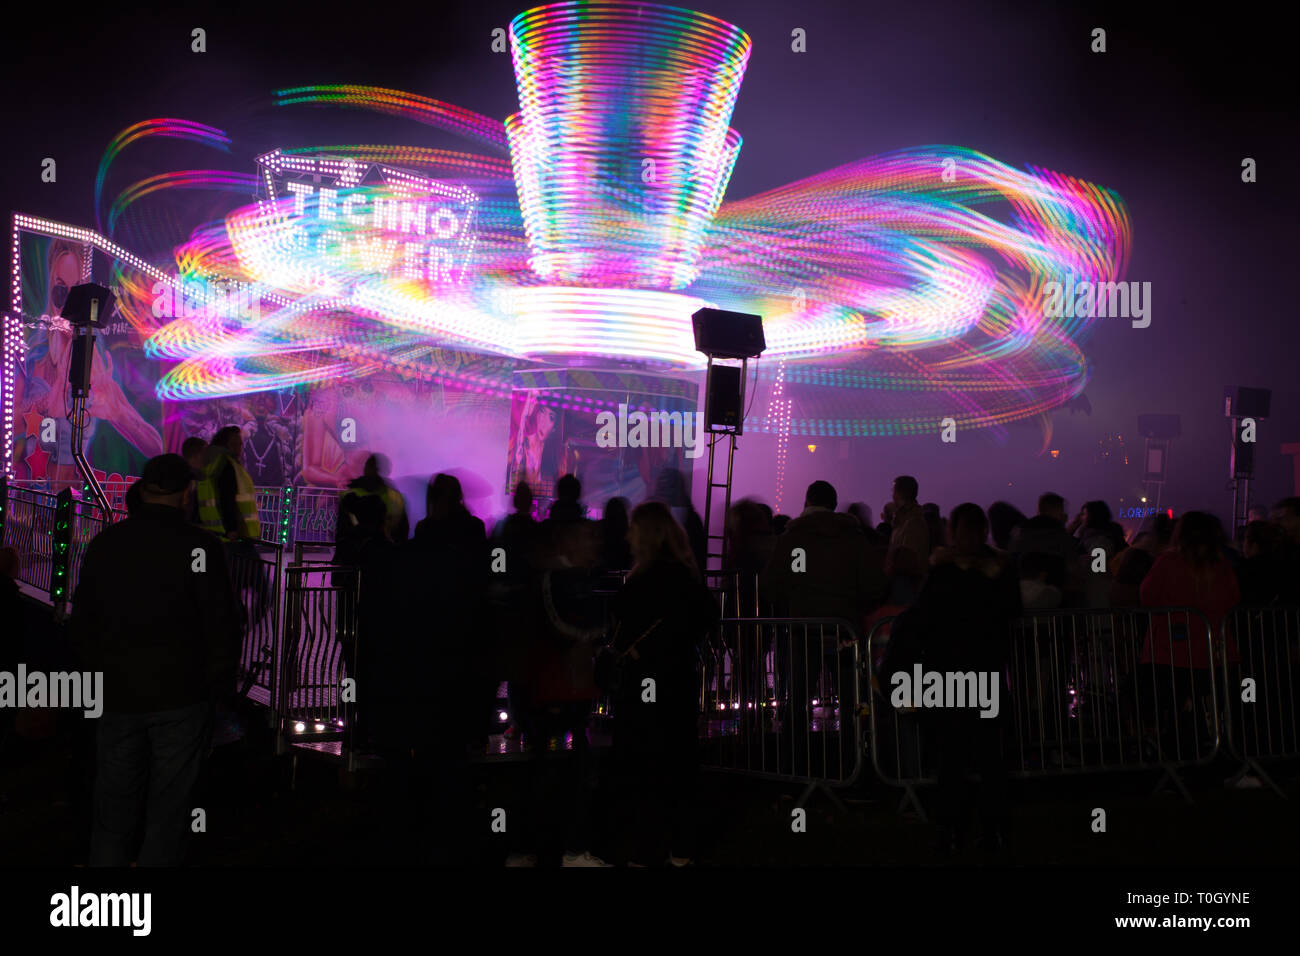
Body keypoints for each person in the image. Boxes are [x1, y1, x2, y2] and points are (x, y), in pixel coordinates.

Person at [69, 454, 241, 866]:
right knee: (169, 814)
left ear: (142, 490)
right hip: (180, 695)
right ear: (186, 494)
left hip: (117, 694)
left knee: (112, 812)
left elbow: (84, 621)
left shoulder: (107, 544)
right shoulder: (200, 549)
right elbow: (221, 625)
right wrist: (216, 689)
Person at [882, 503, 1020, 854]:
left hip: (951, 677)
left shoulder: (943, 574)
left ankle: (952, 831)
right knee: (989, 759)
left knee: (953, 760)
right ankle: (992, 832)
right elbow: (1011, 614)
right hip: (985, 673)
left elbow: (923, 622)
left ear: (953, 532)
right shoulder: (1000, 572)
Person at [609, 502, 718, 866]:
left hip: (642, 685)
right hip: (678, 680)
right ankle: (681, 846)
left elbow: (619, 628)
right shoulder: (687, 577)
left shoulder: (639, 582)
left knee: (643, 765)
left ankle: (645, 846)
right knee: (679, 762)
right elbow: (706, 620)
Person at [761, 480, 888, 779]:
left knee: (797, 701)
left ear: (806, 501)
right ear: (833, 502)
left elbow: (770, 586)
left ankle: (794, 768)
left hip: (803, 631)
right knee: (852, 701)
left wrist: (796, 596)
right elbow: (875, 585)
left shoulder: (793, 537)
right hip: (845, 631)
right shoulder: (852, 537)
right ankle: (854, 766)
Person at [1139, 512, 1240, 760]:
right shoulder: (1222, 563)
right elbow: (1234, 599)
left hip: (1171, 650)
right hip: (1215, 649)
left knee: (1177, 711)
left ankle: (1181, 762)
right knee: (1214, 707)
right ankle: (1218, 756)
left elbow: (1147, 597)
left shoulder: (1168, 561)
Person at [337, 453, 409, 545]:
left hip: (357, 553)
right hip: (385, 552)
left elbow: (342, 534)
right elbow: (402, 533)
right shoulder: (395, 498)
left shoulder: (348, 496)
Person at [885, 476, 930, 604]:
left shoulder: (912, 521)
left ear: (898, 493)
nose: (892, 495)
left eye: (893, 491)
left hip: (906, 586)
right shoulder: (906, 519)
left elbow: (907, 559)